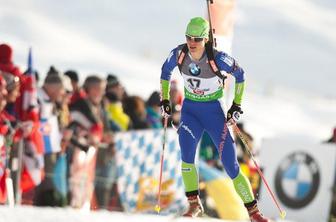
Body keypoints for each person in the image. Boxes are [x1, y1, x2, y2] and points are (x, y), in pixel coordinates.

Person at [160, 17, 270, 221]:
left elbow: (241, 75)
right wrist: (165, 99)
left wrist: (236, 105)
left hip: (214, 113)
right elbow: (165, 72)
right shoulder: (179, 53)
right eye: (188, 38)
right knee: (186, 157)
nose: (192, 42)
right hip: (190, 113)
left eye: (197, 39)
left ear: (206, 40)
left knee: (231, 165)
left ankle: (254, 212)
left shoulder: (218, 58)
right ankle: (194, 204)